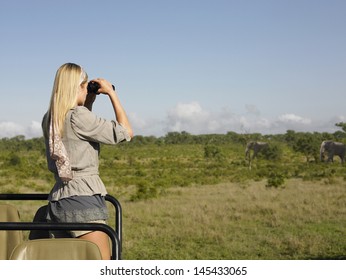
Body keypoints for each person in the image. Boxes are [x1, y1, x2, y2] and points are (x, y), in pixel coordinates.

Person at [42, 62, 133, 260]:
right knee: (103, 266)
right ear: (78, 87)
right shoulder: (78, 116)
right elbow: (125, 132)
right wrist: (111, 93)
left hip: (58, 201)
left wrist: (88, 100)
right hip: (84, 199)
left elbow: (79, 131)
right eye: (85, 86)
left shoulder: (50, 118)